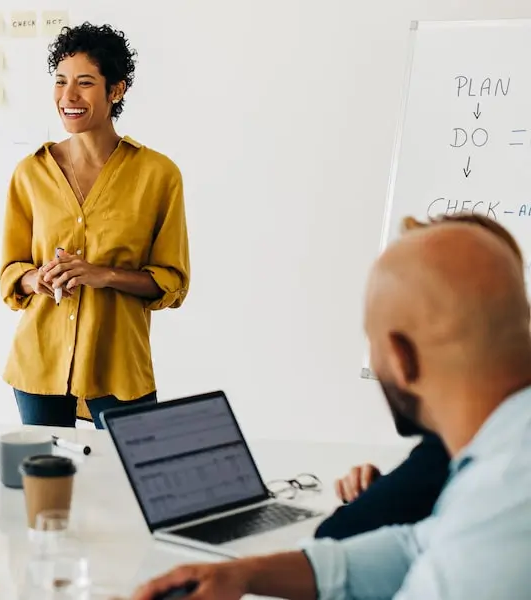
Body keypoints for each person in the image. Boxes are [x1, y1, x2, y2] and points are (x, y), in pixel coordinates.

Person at [131, 219, 531, 599]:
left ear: (400, 358)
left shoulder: (505, 490)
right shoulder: (504, 452)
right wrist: (244, 574)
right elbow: (414, 546)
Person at [0, 22, 190, 429]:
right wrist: (37, 279)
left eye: (84, 83)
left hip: (118, 364)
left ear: (116, 90)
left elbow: (172, 282)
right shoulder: (30, 173)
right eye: (60, 81)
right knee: (46, 470)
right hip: (40, 362)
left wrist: (103, 275)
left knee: (128, 467)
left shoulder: (158, 175)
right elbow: (10, 272)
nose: (68, 96)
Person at [314, 213, 521, 540]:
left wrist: (383, 500)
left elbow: (334, 538)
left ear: (400, 356)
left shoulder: (454, 454)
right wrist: (384, 488)